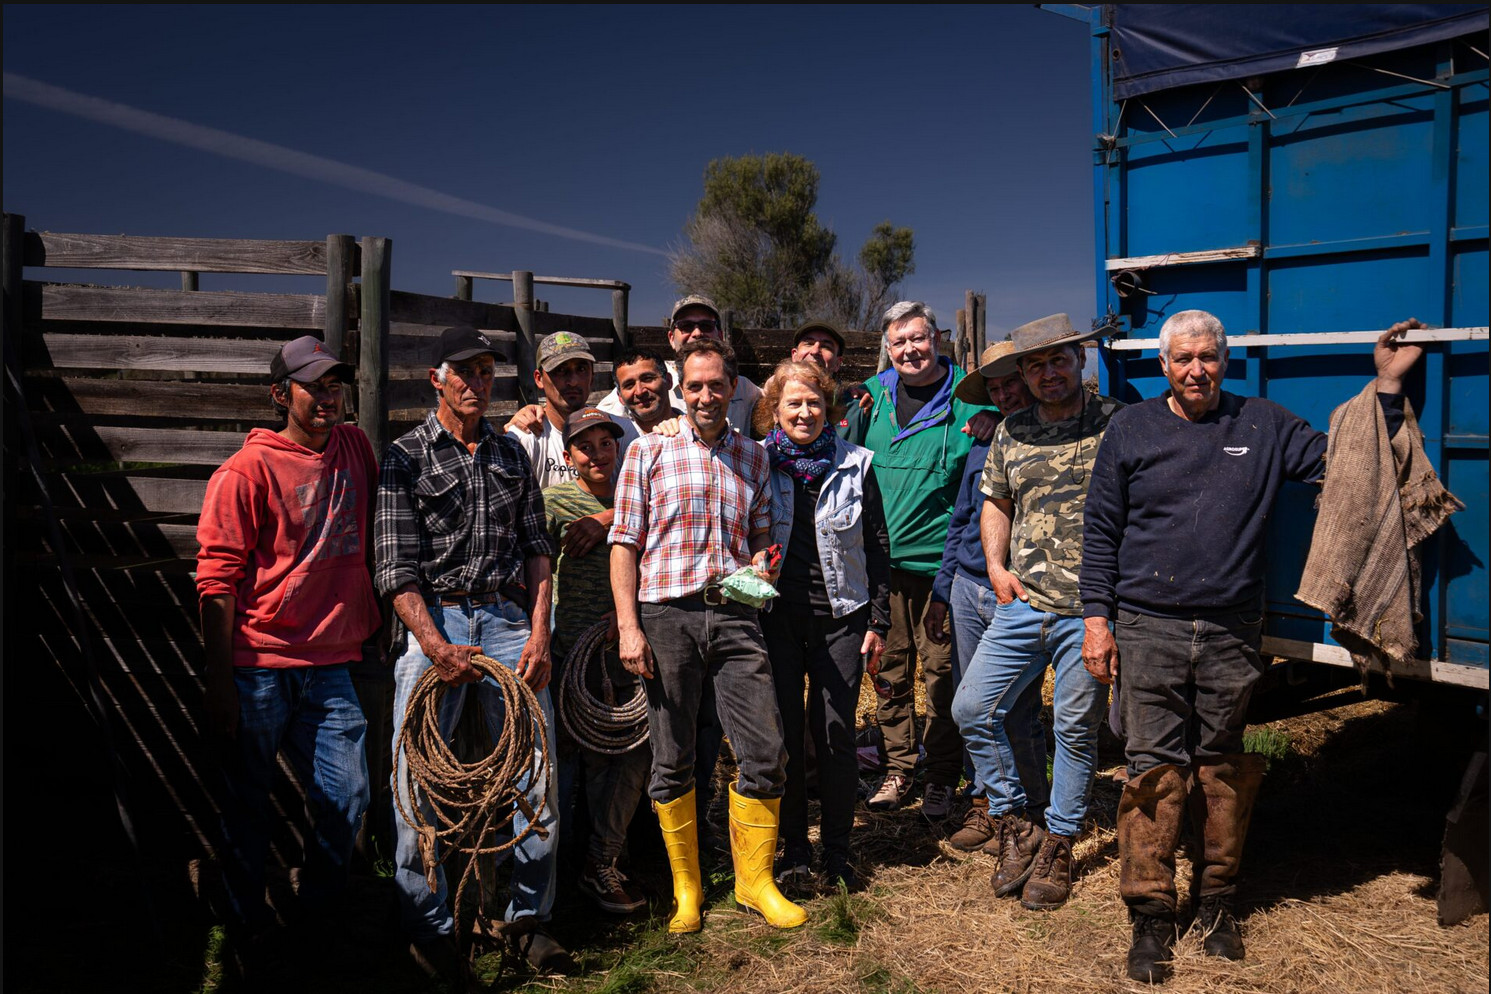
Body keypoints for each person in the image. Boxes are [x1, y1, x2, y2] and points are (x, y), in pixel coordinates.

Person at [1079, 311, 1427, 984]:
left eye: (1207, 357)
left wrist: (1384, 386)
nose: (1195, 370)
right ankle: (1150, 917)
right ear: (1163, 366)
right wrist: (1097, 620)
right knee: (1151, 771)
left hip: (1230, 631)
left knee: (1220, 768)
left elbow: (1351, 463)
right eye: (1182, 359)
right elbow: (1099, 532)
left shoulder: (1263, 424)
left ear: (1225, 359)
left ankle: (1215, 906)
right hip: (1146, 624)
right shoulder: (1129, 428)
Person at [374, 326, 571, 980]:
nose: (475, 382)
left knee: (535, 769)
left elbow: (539, 549)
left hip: (508, 615)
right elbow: (395, 570)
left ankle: (524, 922)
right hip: (437, 619)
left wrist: (539, 632)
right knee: (417, 778)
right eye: (463, 371)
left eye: (486, 371)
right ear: (437, 377)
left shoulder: (510, 453)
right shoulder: (404, 456)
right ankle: (428, 930)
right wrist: (432, 644)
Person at [609, 337, 806, 933]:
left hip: (735, 612)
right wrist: (628, 628)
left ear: (732, 388)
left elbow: (764, 536)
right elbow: (624, 543)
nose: (704, 396)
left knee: (765, 751)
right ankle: (687, 892)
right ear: (680, 390)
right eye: (693, 386)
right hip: (666, 615)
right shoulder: (647, 452)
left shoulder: (753, 457)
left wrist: (763, 567)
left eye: (715, 385)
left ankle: (754, 882)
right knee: (671, 759)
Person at [196, 336, 379, 956]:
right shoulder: (245, 473)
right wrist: (220, 684)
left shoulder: (354, 446)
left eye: (335, 385)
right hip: (259, 666)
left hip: (331, 662)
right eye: (313, 386)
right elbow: (216, 585)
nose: (328, 397)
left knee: (348, 792)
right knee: (247, 801)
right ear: (281, 395)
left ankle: (318, 914)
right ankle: (247, 922)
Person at [951, 313, 1121, 913]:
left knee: (1075, 730)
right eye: (1036, 364)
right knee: (972, 707)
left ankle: (1058, 842)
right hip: (1024, 605)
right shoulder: (1012, 430)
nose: (1049, 373)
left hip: (1091, 612)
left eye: (1059, 360)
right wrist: (996, 568)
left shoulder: (1117, 423)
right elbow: (995, 499)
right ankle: (1013, 821)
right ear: (1023, 373)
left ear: (1080, 360)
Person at [844, 301, 986, 818]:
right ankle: (899, 767)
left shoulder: (969, 396)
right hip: (880, 566)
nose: (910, 350)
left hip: (941, 570)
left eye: (918, 338)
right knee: (887, 669)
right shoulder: (873, 395)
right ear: (887, 349)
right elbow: (846, 455)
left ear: (938, 338)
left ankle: (944, 774)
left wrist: (991, 421)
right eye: (898, 342)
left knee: (942, 672)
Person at [757, 359, 891, 894]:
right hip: (778, 619)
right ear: (775, 410)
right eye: (793, 403)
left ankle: (838, 850)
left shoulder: (857, 464)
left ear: (828, 408)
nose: (805, 412)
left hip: (842, 618)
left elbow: (878, 545)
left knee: (835, 736)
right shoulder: (759, 462)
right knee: (786, 736)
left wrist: (878, 617)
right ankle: (794, 850)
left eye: (814, 402)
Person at [928, 342, 1049, 852]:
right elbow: (961, 519)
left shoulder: (1053, 438)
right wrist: (942, 589)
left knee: (1016, 705)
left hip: (1021, 592)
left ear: (1028, 380)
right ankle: (985, 806)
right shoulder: (984, 442)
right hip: (969, 587)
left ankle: (1034, 809)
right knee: (969, 701)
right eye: (994, 389)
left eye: (1009, 385)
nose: (1002, 395)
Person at [542, 407, 651, 915]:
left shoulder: (641, 493)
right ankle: (558, 872)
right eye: (585, 447)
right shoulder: (554, 500)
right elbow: (535, 567)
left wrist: (625, 613)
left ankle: (602, 862)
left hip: (625, 649)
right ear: (569, 457)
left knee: (629, 756)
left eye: (606, 443)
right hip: (570, 652)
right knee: (568, 760)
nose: (597, 454)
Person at [599, 294, 763, 432]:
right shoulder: (652, 382)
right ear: (671, 338)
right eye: (686, 326)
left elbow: (774, 398)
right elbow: (599, 418)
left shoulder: (743, 387)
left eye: (706, 325)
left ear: (720, 335)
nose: (697, 333)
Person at [505, 330, 639, 489]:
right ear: (539, 379)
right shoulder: (526, 437)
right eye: (561, 370)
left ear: (592, 376)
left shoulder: (622, 431)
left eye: (581, 369)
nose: (573, 381)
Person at [599, 345, 686, 433]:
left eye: (647, 379)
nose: (640, 392)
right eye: (629, 385)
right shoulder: (616, 441)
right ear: (620, 396)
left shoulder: (693, 431)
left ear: (668, 381)